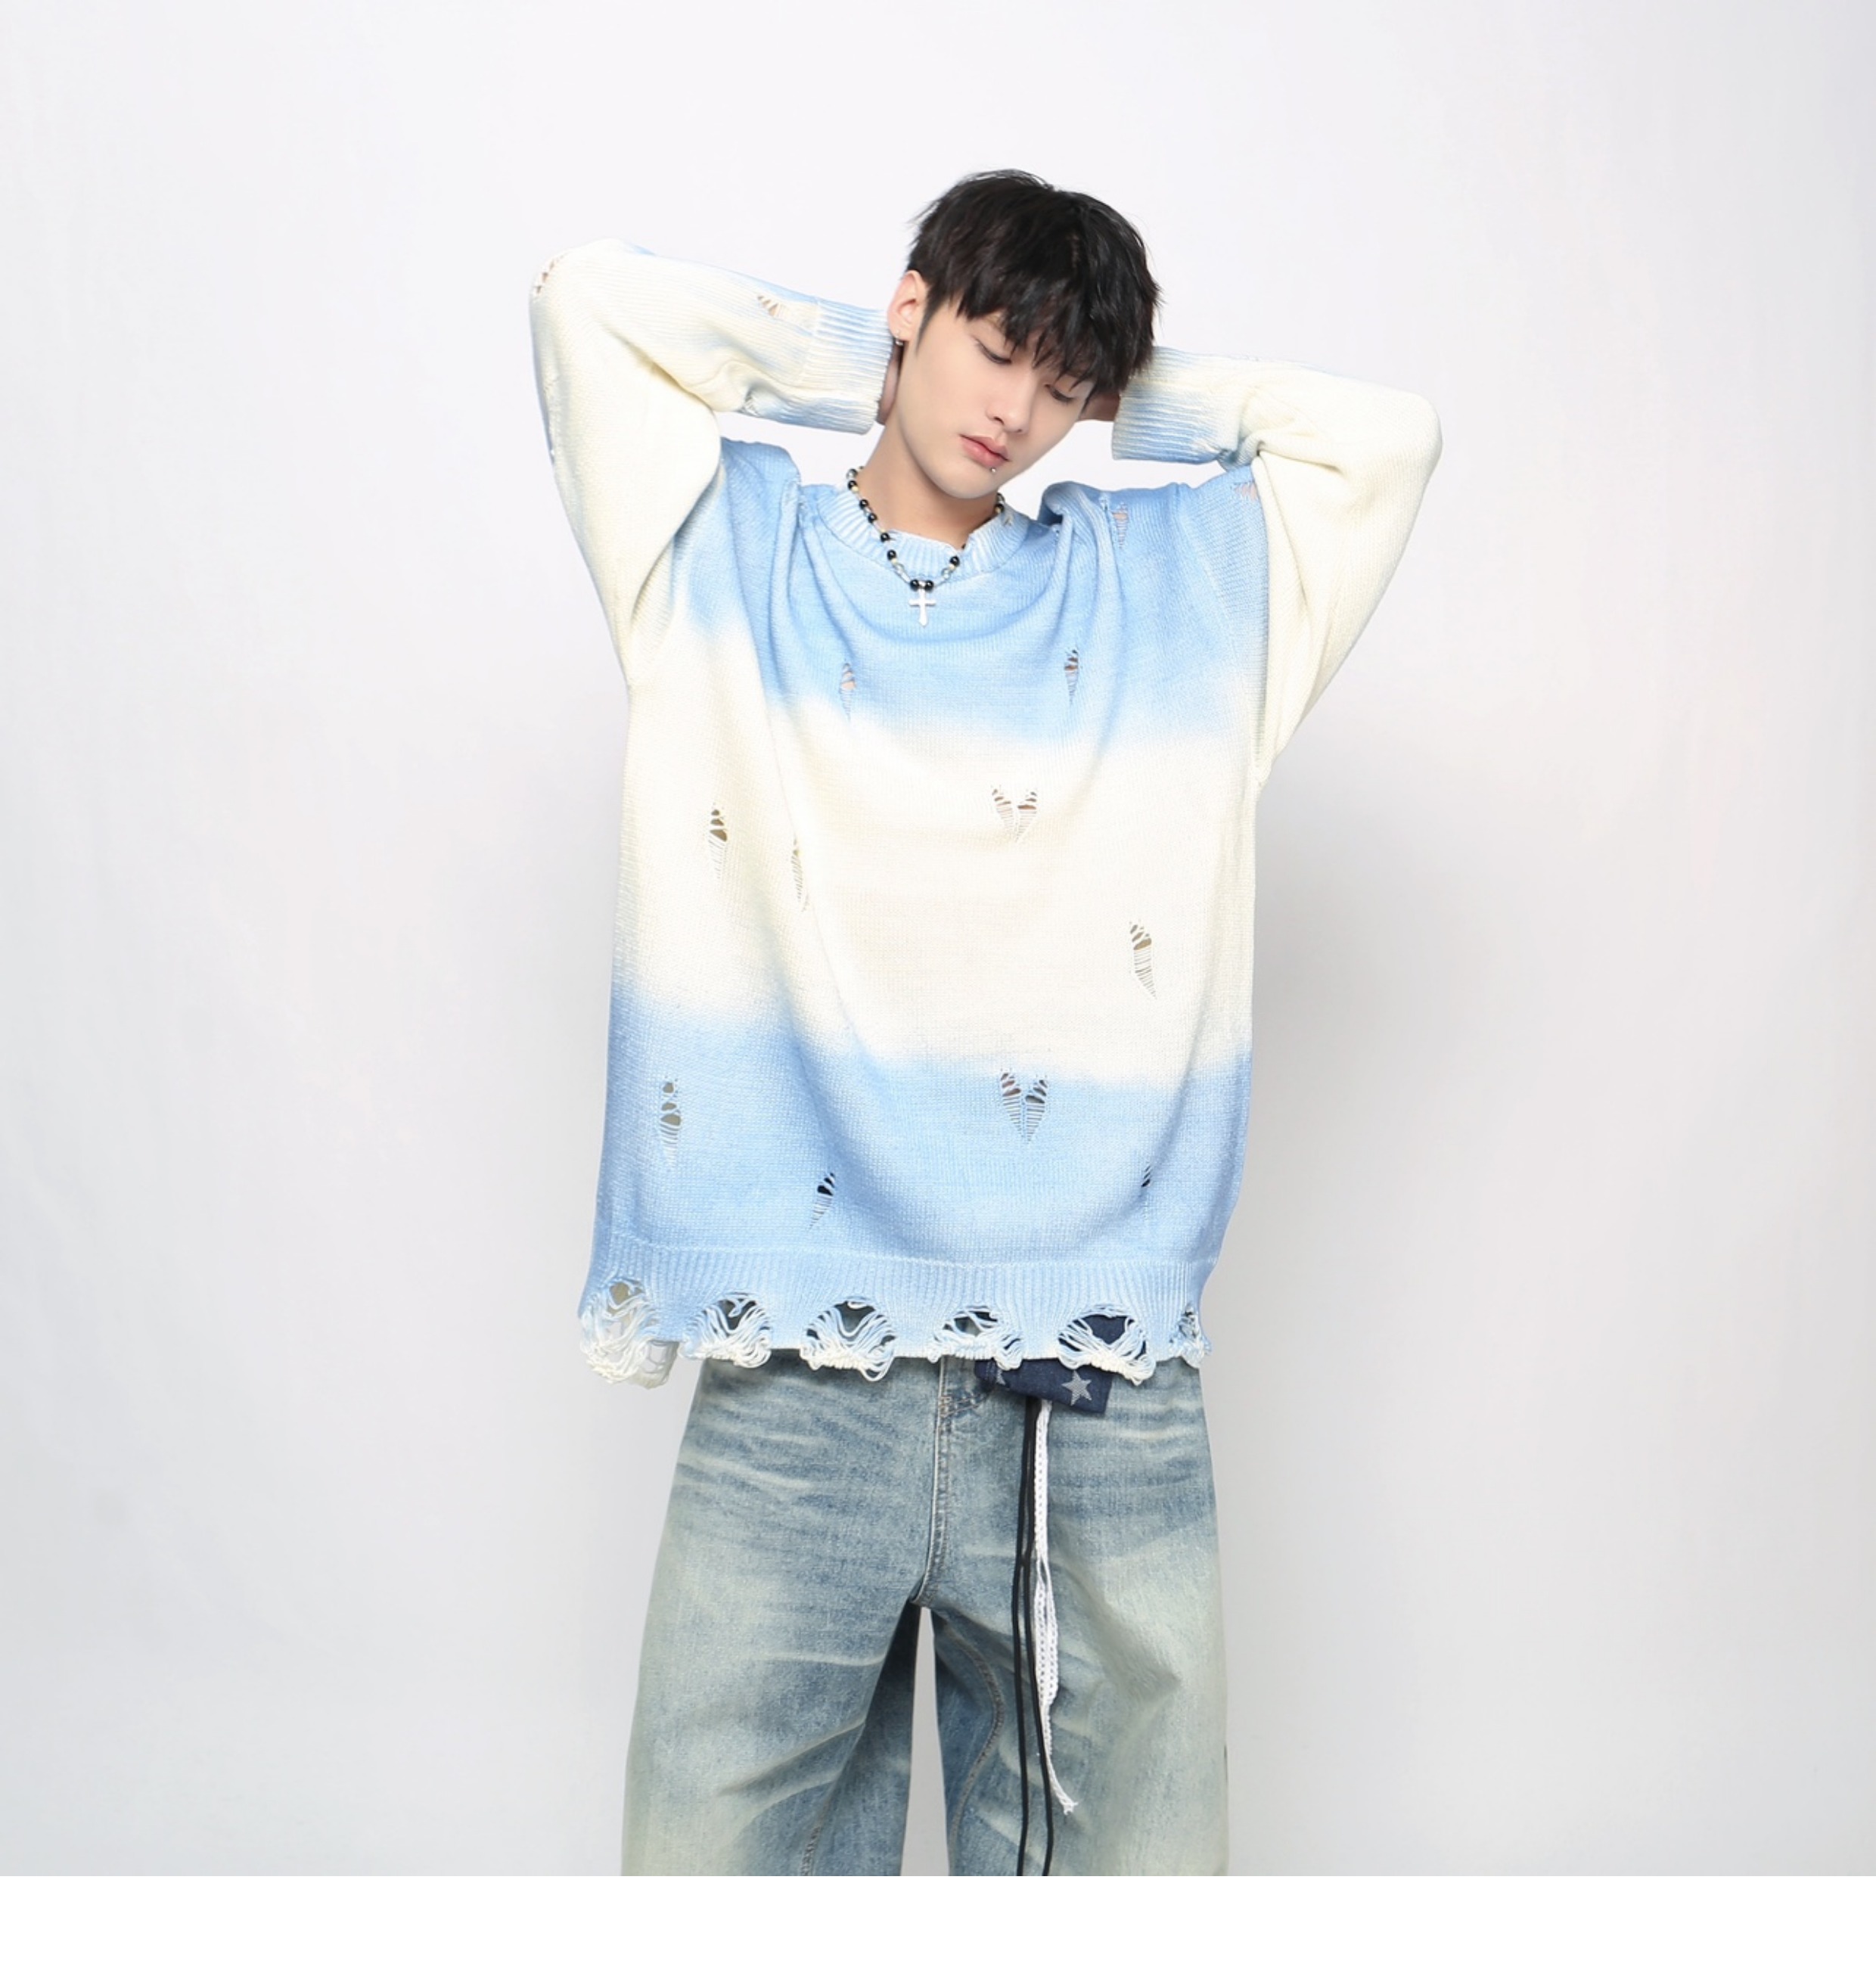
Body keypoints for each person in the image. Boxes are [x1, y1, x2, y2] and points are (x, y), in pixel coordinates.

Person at [529, 169, 1440, 1875]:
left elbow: (1384, 439)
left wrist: (1119, 393)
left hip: (1087, 1385)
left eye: (1059, 382)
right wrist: (873, 373)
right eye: (992, 345)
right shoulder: (717, 554)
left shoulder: (1166, 598)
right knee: (708, 1881)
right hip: (800, 1372)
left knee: (1128, 1884)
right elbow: (588, 303)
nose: (1014, 408)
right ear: (913, 304)